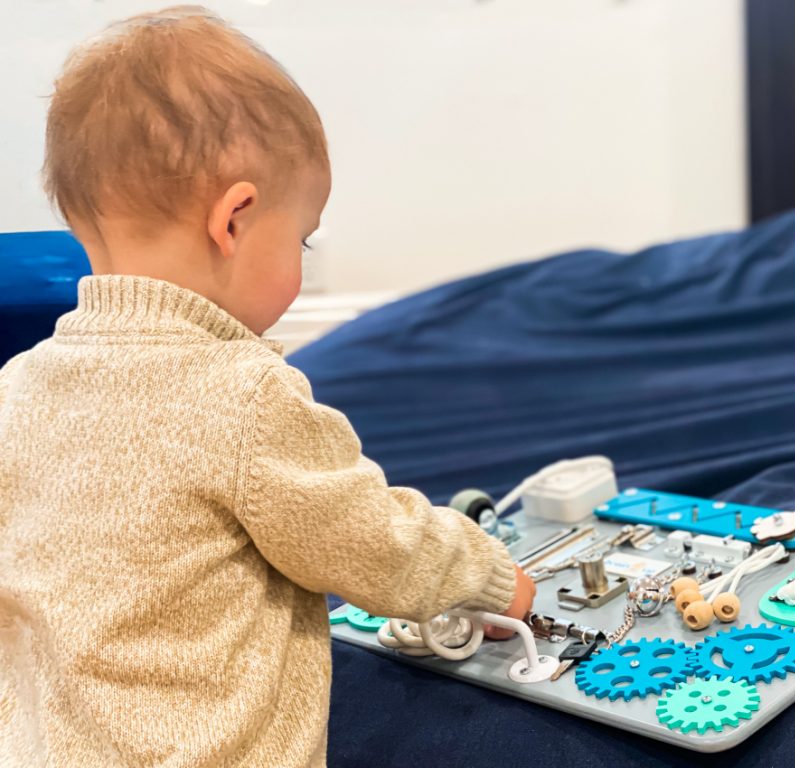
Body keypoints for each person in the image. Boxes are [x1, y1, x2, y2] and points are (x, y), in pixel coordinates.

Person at [0, 7, 534, 766]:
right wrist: (487, 576)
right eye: (303, 236)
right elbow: (371, 543)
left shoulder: (16, 388)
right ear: (236, 220)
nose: (303, 253)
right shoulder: (245, 395)